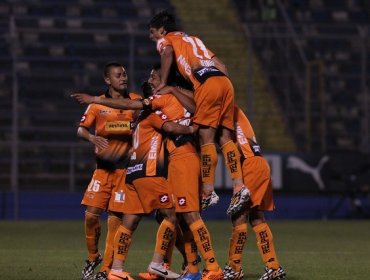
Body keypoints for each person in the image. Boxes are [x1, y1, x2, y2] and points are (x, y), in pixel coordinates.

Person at [72, 64, 224, 280]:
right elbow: (171, 125)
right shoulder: (153, 111)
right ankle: (171, 264)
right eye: (152, 81)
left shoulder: (152, 109)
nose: (153, 81)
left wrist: (174, 93)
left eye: (154, 77)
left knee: (130, 221)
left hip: (131, 171)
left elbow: (192, 106)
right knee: (175, 214)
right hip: (149, 170)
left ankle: (115, 270)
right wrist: (191, 128)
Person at [148, 10, 250, 216]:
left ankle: (208, 191)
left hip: (206, 84)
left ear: (162, 29)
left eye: (152, 32)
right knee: (225, 136)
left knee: (206, 137)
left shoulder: (166, 40)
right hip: (225, 83)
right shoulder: (194, 39)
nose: (152, 37)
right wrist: (224, 90)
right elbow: (222, 65)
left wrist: (165, 82)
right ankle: (239, 186)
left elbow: (167, 53)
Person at [76, 62, 141, 280]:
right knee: (91, 215)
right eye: (118, 75)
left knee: (115, 220)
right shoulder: (97, 104)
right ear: (107, 80)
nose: (123, 77)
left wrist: (124, 129)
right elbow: (81, 129)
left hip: (124, 171)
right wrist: (92, 137)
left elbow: (142, 127)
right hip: (102, 170)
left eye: (125, 74)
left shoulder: (135, 102)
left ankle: (106, 270)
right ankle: (93, 256)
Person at [222, 105, 286, 280]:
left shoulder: (225, 109)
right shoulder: (230, 111)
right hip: (257, 164)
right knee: (257, 217)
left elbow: (222, 139)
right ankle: (273, 267)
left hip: (250, 164)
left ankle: (234, 268)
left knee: (239, 216)